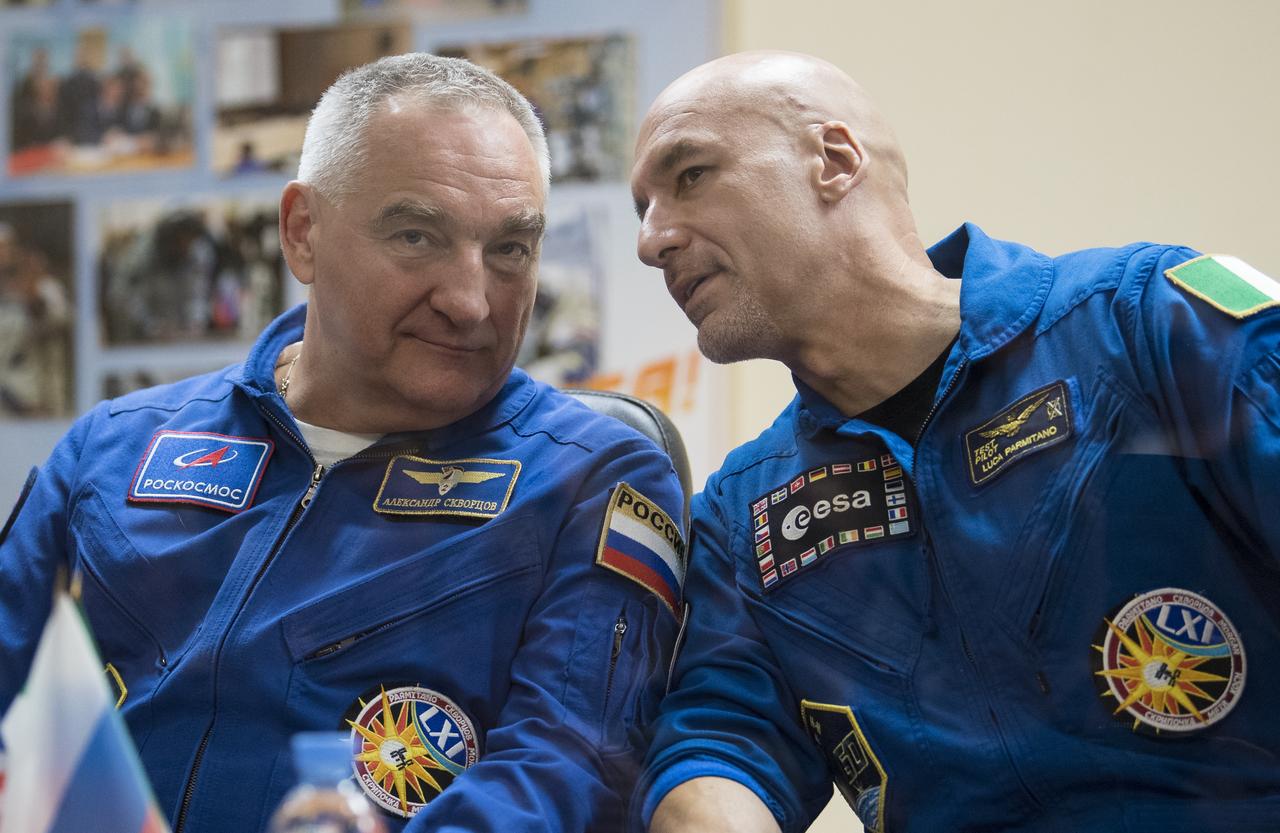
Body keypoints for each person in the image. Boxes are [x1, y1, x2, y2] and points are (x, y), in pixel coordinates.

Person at [0, 53, 687, 833]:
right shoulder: (114, 452)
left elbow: (567, 772)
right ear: (302, 233)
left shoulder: (589, 480)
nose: (470, 301)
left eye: (511, 249)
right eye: (418, 236)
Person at [629, 51, 1280, 833]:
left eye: (690, 175)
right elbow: (722, 744)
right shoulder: (746, 512)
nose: (651, 239)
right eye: (642, 206)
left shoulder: (1147, 325)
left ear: (833, 161)